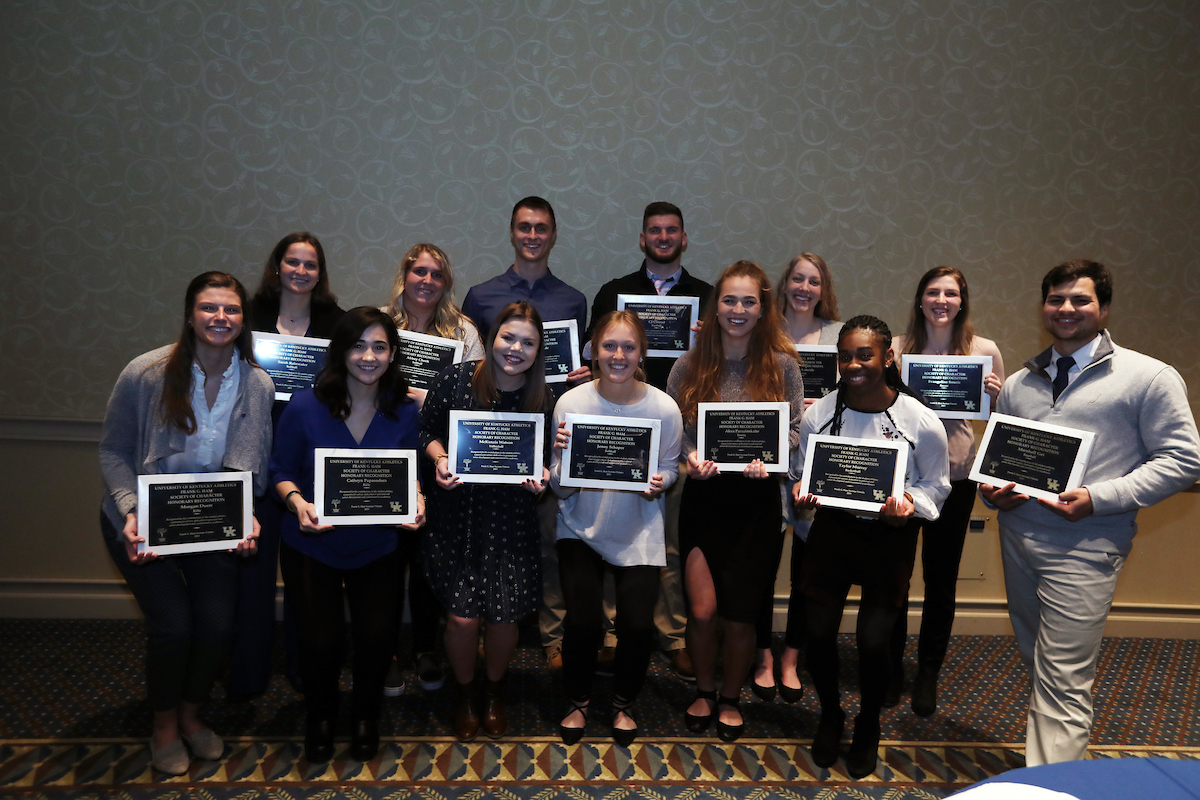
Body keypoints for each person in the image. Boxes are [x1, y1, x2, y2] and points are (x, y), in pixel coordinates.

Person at [980, 260, 1200, 766]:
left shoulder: (1149, 377)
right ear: (1043, 307)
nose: (1066, 309)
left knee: (1062, 678)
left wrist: (1099, 497)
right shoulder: (1019, 383)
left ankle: (1050, 789)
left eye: (1080, 300)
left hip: (1085, 548)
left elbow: (1184, 461)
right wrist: (994, 493)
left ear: (1103, 308)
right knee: (1040, 663)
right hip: (1017, 540)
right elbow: (1002, 459)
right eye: (1056, 299)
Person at [99, 271, 273, 775]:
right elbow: (112, 450)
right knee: (174, 627)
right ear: (190, 315)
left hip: (211, 527)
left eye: (232, 310)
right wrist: (132, 511)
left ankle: (193, 717)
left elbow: (251, 471)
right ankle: (165, 727)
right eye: (209, 308)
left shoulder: (257, 383)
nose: (221, 318)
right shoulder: (147, 372)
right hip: (141, 523)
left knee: (217, 626)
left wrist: (248, 521)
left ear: (244, 320)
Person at [793, 315, 949, 779]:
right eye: (846, 356)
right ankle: (830, 714)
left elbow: (936, 485)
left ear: (887, 357)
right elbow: (803, 471)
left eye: (865, 354)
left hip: (889, 538)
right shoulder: (819, 412)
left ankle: (868, 725)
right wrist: (802, 489)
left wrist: (909, 504)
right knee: (817, 634)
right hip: (832, 534)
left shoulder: (920, 419)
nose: (854, 364)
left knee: (873, 641)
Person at [271, 307, 426, 764]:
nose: (368, 356)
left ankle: (365, 716)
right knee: (320, 642)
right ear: (340, 351)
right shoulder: (304, 404)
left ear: (393, 353)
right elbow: (280, 470)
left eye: (379, 346)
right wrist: (298, 502)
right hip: (311, 542)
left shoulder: (404, 412)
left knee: (377, 638)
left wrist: (417, 501)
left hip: (378, 544)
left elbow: (412, 472)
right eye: (358, 345)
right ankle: (320, 716)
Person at [666, 260, 804, 742]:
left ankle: (730, 697)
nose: (738, 309)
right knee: (702, 612)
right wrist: (690, 458)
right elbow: (676, 430)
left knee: (743, 615)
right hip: (705, 498)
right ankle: (703, 691)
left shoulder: (784, 365)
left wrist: (773, 457)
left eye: (749, 301)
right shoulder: (689, 364)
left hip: (756, 501)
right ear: (716, 306)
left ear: (762, 308)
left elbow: (792, 430)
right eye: (729, 300)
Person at [583, 202, 713, 681]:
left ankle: (673, 633)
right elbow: (589, 355)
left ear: (683, 238)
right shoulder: (614, 293)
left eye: (671, 231)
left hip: (674, 425)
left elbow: (718, 364)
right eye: (654, 231)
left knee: (670, 540)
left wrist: (706, 343)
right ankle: (615, 632)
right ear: (642, 238)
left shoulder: (706, 296)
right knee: (615, 529)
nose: (662, 237)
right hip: (612, 425)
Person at [461, 196, 590, 670]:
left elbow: (572, 364)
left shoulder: (573, 299)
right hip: (491, 435)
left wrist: (579, 375)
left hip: (548, 426)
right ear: (512, 232)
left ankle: (548, 633)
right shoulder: (480, 295)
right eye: (524, 227)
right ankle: (479, 625)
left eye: (542, 228)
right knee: (485, 535)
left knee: (549, 535)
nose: (533, 235)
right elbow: (473, 364)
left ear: (554, 235)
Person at [420, 301, 554, 742]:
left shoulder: (544, 398)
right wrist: (439, 459)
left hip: (511, 519)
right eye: (508, 337)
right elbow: (425, 432)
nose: (515, 348)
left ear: (538, 351)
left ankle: (494, 691)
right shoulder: (454, 380)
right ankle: (463, 694)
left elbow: (549, 460)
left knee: (502, 618)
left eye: (528, 342)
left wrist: (544, 480)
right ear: (493, 337)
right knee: (461, 619)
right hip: (458, 514)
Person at [550, 311, 684, 745]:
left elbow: (667, 470)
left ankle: (624, 703)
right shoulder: (571, 404)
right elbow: (559, 487)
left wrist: (660, 483)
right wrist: (564, 464)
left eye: (628, 347)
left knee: (638, 626)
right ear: (593, 350)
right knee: (584, 622)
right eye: (609, 346)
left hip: (639, 529)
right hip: (579, 526)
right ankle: (577, 700)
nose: (618, 355)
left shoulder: (664, 407)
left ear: (641, 353)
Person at [228, 231, 346, 703]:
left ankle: (305, 669)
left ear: (320, 272)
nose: (300, 271)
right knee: (251, 577)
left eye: (310, 264)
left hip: (308, 466)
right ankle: (247, 673)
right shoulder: (247, 315)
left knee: (307, 580)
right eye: (292, 262)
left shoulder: (337, 323)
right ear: (277, 266)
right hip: (252, 462)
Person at [884, 267, 1005, 715]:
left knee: (941, 579)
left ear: (962, 301)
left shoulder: (984, 351)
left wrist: (996, 395)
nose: (941, 299)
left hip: (956, 478)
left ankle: (928, 670)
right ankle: (892, 668)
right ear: (920, 300)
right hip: (903, 479)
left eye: (950, 293)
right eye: (933, 292)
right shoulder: (897, 348)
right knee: (895, 576)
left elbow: (1000, 420)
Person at [379, 243, 486, 697]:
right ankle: (383, 653)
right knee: (384, 560)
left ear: (446, 283)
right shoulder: (379, 323)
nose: (426, 281)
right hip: (382, 452)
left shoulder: (463, 332)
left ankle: (425, 647)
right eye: (418, 271)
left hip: (437, 458)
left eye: (436, 274)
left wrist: (430, 399)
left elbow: (480, 397)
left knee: (426, 561)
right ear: (404, 276)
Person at [753, 252, 843, 704]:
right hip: (768, 464)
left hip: (817, 462)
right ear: (783, 284)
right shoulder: (760, 332)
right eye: (797, 279)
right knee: (762, 567)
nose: (804, 288)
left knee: (807, 569)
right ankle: (763, 655)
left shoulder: (837, 338)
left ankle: (791, 656)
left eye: (814, 281)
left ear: (823, 290)